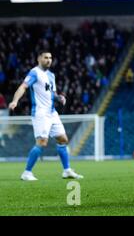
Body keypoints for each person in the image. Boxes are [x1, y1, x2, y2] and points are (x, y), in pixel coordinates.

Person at [8, 50, 83, 181]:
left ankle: (66, 170)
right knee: (42, 142)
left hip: (52, 113)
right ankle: (26, 173)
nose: (49, 60)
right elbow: (23, 87)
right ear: (39, 59)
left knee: (63, 139)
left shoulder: (51, 75)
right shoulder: (34, 72)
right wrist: (15, 100)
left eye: (50, 58)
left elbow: (51, 93)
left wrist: (59, 97)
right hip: (40, 113)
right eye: (45, 57)